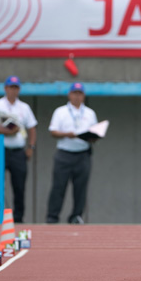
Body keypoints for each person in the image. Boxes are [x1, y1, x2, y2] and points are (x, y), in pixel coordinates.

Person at [0, 76, 37, 223]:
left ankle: (18, 218)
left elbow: (32, 128)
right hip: (0, 151)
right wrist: (9, 131)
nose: (13, 90)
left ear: (19, 89)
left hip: (18, 151)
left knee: (19, 186)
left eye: (16, 87)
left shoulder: (24, 107)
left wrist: (31, 147)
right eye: (10, 87)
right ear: (5, 88)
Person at [46, 82, 98, 225]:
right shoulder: (60, 111)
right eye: (74, 93)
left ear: (83, 96)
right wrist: (66, 134)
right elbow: (53, 131)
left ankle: (76, 216)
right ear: (69, 94)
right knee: (58, 186)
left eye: (80, 93)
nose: (77, 96)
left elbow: (94, 132)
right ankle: (52, 216)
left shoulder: (89, 113)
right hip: (64, 153)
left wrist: (93, 137)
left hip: (83, 154)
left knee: (80, 188)